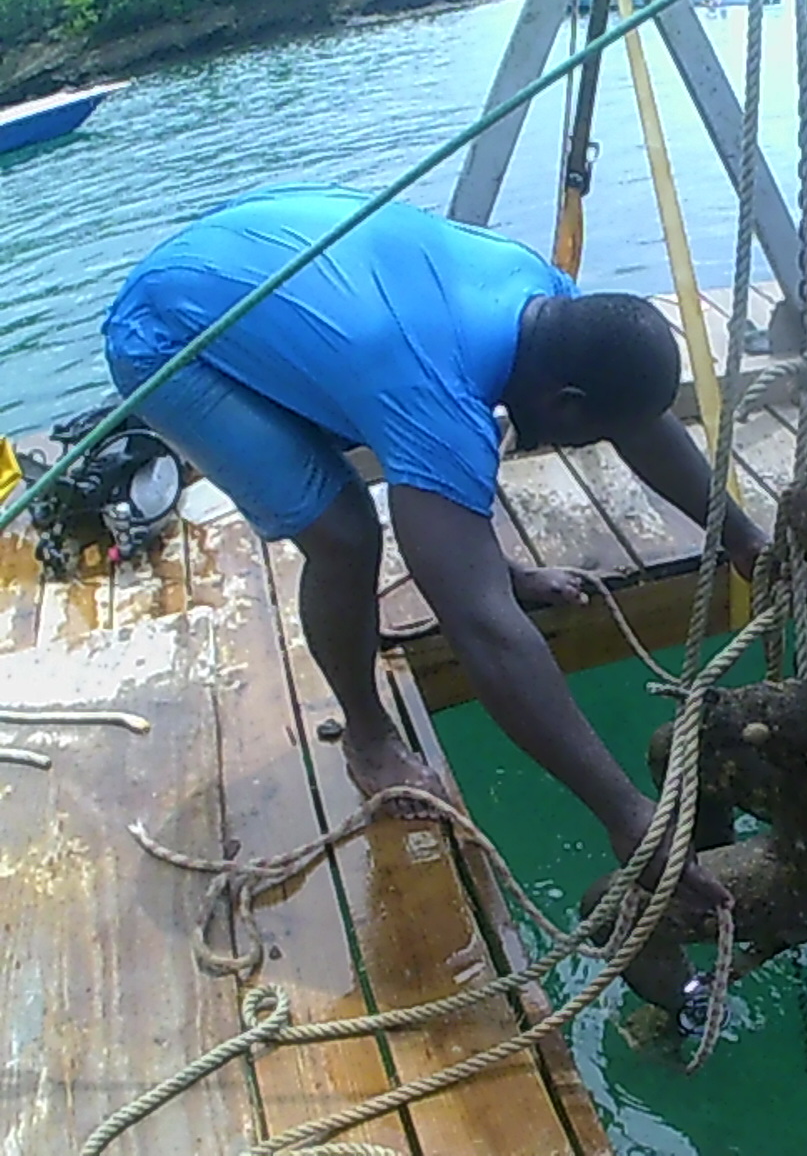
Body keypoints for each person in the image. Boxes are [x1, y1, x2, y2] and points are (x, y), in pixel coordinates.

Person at [102, 181, 767, 911]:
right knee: (345, 535)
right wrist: (627, 814)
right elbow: (483, 632)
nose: (601, 441)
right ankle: (369, 740)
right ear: (566, 407)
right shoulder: (439, 398)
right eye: (593, 432)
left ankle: (484, 567)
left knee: (434, 509)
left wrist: (741, 538)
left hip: (270, 273)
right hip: (172, 333)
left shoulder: (541, 296)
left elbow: (638, 418)